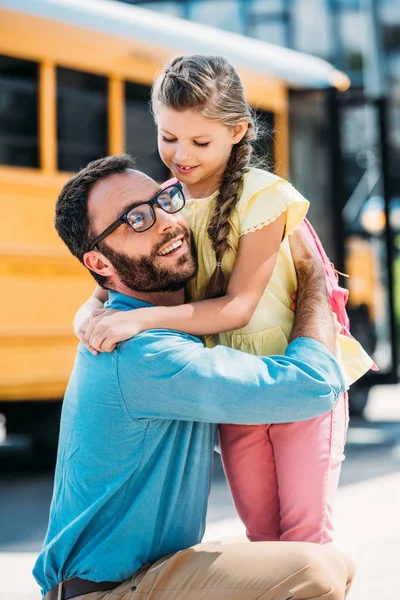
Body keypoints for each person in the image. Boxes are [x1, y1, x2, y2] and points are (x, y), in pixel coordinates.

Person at [77, 55, 374, 545]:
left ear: (237, 131)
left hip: (299, 379)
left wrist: (142, 321)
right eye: (168, 137)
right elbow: (106, 287)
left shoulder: (264, 197)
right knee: (261, 535)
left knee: (304, 537)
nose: (180, 154)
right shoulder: (165, 199)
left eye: (199, 141)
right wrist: (87, 315)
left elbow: (239, 307)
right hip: (236, 388)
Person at [33, 155, 354, 600]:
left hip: (149, 576)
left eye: (163, 201)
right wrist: (314, 275)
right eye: (136, 219)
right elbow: (312, 386)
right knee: (315, 568)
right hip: (111, 592)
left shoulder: (148, 322)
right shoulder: (144, 353)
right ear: (100, 263)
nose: (166, 221)